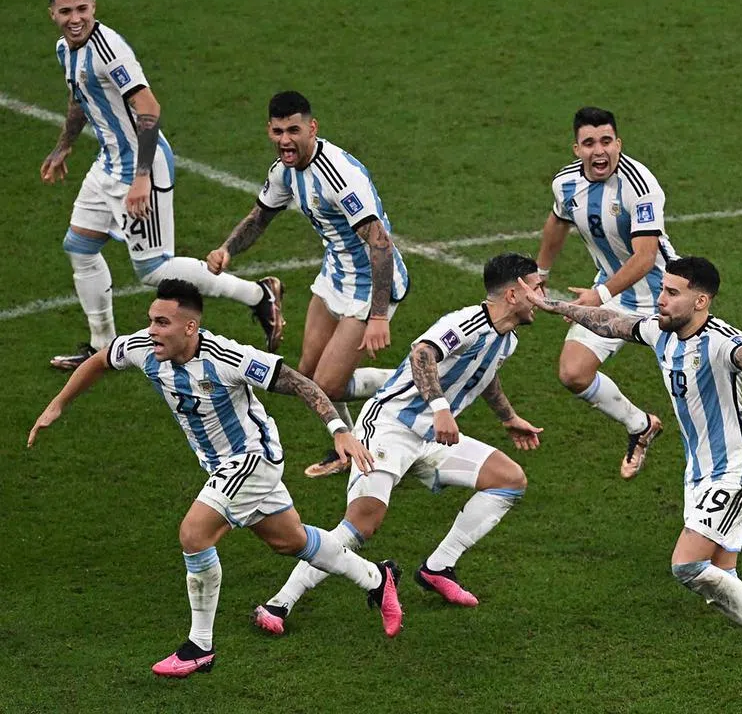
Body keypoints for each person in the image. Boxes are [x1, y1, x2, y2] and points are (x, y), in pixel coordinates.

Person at [27, 280, 403, 678]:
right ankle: (377, 578)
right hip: (219, 464)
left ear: (189, 327)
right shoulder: (142, 348)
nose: (152, 329)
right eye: (151, 321)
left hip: (252, 459)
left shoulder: (227, 357)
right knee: (288, 540)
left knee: (194, 533)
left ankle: (199, 647)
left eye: (162, 322)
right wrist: (56, 406)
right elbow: (101, 359)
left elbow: (296, 381)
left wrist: (337, 429)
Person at [521, 257, 742, 695]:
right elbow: (610, 322)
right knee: (721, 579)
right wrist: (558, 307)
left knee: (688, 565)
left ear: (701, 300)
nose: (661, 298)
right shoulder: (659, 330)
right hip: (701, 472)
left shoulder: (720, 342)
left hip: (736, 470)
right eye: (662, 289)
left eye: (672, 292)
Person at [253, 253, 542, 635]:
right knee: (361, 525)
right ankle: (280, 602)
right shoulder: (467, 322)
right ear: (512, 294)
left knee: (509, 479)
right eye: (537, 288)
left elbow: (484, 374)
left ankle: (438, 567)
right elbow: (422, 353)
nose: (542, 296)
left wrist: (508, 418)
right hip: (388, 427)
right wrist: (441, 408)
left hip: (431, 438)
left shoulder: (508, 339)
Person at [41, 0, 284, 370]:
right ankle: (102, 347)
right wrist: (64, 145)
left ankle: (259, 296)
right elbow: (78, 98)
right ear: (52, 13)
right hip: (107, 164)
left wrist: (141, 178)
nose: (75, 18)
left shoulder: (108, 50)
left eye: (82, 8)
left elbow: (149, 108)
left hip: (140, 166)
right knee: (80, 248)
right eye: (66, 11)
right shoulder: (65, 49)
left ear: (94, 7)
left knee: (154, 270)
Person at [207, 90, 409, 478]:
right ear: (269, 130)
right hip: (335, 275)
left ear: (312, 128)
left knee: (328, 386)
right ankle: (350, 447)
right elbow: (260, 216)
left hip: (370, 287)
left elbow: (381, 244)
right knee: (307, 372)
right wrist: (228, 249)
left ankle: (415, 381)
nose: (286, 139)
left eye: (294, 130)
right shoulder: (284, 171)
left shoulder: (338, 176)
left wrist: (379, 316)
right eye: (278, 131)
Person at [535, 106, 679, 479]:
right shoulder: (565, 183)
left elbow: (646, 257)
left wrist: (597, 297)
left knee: (695, 400)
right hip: (614, 291)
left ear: (619, 143)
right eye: (589, 143)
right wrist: (540, 273)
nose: (599, 151)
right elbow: (557, 221)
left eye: (606, 141)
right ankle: (640, 425)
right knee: (573, 372)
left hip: (667, 299)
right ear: (576, 149)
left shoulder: (640, 185)